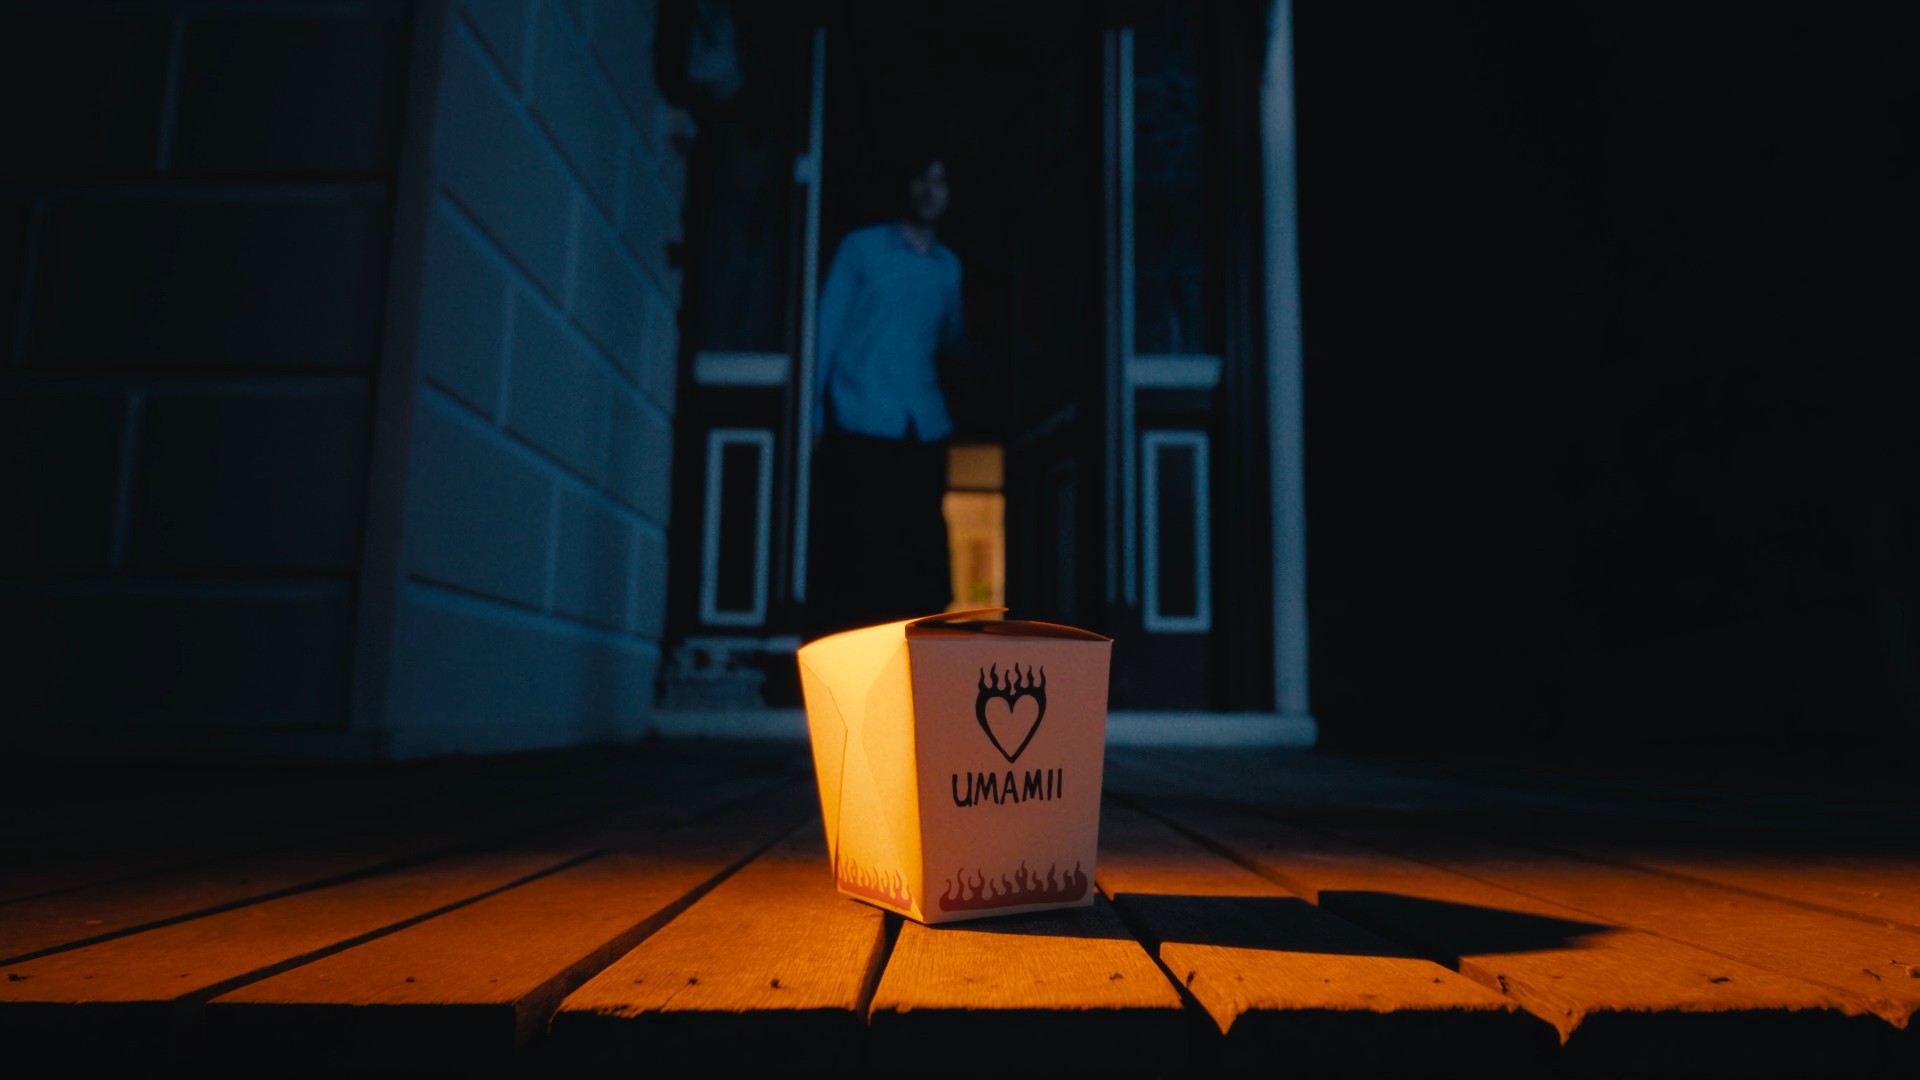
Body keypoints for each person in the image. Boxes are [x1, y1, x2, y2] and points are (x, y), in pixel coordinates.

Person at [806, 152, 970, 638]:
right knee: (865, 544)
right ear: (906, 184)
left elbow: (953, 343)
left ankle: (922, 654)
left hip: (924, 421)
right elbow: (825, 330)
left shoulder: (948, 268)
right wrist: (812, 415)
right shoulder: (861, 249)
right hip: (863, 415)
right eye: (921, 175)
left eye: (941, 180)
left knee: (922, 544)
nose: (929, 189)